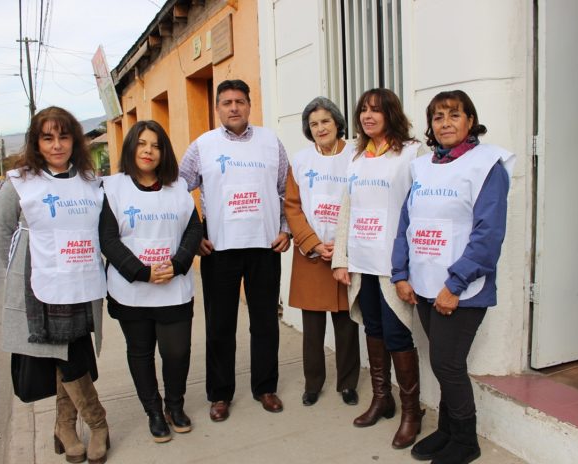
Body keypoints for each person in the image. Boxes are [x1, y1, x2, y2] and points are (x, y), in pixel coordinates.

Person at [392, 90, 514, 464]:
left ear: (470, 120)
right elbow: (406, 222)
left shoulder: (487, 164)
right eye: (438, 116)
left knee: (447, 363)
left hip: (460, 290)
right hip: (424, 284)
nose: (445, 123)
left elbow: (488, 234)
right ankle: (447, 430)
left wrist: (454, 284)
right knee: (443, 361)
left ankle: (465, 440)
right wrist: (401, 272)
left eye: (454, 115)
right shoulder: (422, 166)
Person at [0, 106, 109, 464]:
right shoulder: (19, 182)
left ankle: (64, 427)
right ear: (36, 143)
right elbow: (2, 233)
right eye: (48, 137)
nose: (57, 145)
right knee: (68, 352)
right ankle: (98, 422)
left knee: (69, 351)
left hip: (81, 281)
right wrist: (22, 278)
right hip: (40, 284)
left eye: (63, 136)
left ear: (74, 139)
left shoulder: (90, 182)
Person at [179, 79, 290, 422]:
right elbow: (178, 192)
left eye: (240, 101)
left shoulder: (271, 143)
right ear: (217, 108)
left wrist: (286, 230)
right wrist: (193, 235)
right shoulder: (202, 146)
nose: (234, 107)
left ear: (249, 105)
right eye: (226, 102)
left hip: (264, 245)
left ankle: (265, 387)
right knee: (220, 324)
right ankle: (220, 394)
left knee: (265, 322)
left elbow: (286, 191)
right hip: (219, 248)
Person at [99, 120, 202, 443]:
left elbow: (193, 229)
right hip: (131, 292)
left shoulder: (177, 189)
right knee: (140, 352)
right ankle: (154, 412)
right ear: (131, 147)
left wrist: (177, 263)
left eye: (156, 145)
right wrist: (143, 272)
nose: (148, 150)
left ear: (164, 152)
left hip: (173, 288)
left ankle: (175, 405)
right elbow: (108, 239)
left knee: (177, 352)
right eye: (142, 143)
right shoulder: (113, 188)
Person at [332, 88, 424, 449]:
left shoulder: (412, 153)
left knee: (398, 333)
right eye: (363, 111)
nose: (368, 116)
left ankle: (412, 413)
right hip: (362, 262)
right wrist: (342, 259)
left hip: (392, 264)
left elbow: (420, 209)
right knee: (372, 328)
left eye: (376, 110)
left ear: (391, 114)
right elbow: (346, 209)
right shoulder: (356, 157)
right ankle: (381, 398)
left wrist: (412, 267)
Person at [284, 96, 360, 407]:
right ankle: (313, 383)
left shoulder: (356, 155)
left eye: (325, 121)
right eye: (313, 124)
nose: (320, 128)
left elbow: (365, 198)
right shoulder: (300, 161)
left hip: (347, 252)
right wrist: (313, 243)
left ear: (338, 123)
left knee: (346, 324)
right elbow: (292, 206)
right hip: (312, 254)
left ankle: (348, 383)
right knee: (312, 328)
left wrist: (340, 246)